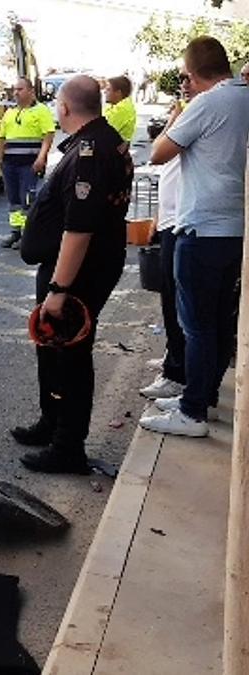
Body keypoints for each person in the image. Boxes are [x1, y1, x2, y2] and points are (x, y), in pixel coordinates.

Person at [11, 76, 132, 474]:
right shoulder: (96, 139)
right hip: (72, 268)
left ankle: (68, 447)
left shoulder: (90, 152)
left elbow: (79, 230)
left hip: (78, 273)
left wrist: (59, 290)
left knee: (71, 357)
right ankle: (52, 421)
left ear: (64, 108)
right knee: (51, 348)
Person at [141, 37, 249, 438]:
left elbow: (158, 152)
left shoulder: (207, 104)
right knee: (219, 322)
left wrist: (177, 118)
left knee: (198, 325)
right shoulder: (244, 97)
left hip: (201, 227)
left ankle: (192, 412)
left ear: (189, 73)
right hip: (234, 228)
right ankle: (201, 397)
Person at [139, 72, 195, 402]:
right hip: (171, 217)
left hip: (183, 220)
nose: (184, 86)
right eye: (181, 81)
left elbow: (156, 153)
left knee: (177, 303)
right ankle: (174, 359)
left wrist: (175, 117)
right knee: (171, 300)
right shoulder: (187, 111)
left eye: (190, 79)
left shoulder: (195, 113)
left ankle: (177, 373)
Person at [0, 77, 55, 249]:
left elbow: (48, 135)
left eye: (20, 89)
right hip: (10, 163)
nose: (16, 92)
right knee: (13, 199)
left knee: (27, 199)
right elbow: (2, 137)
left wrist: (41, 157)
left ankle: (28, 235)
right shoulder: (10, 112)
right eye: (14, 89)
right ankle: (15, 232)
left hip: (29, 163)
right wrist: (0, 157)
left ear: (31, 91)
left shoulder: (41, 111)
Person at [103, 75, 136, 144]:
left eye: (108, 89)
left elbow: (103, 131)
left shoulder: (123, 109)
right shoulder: (115, 105)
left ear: (118, 93)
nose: (104, 92)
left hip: (113, 151)